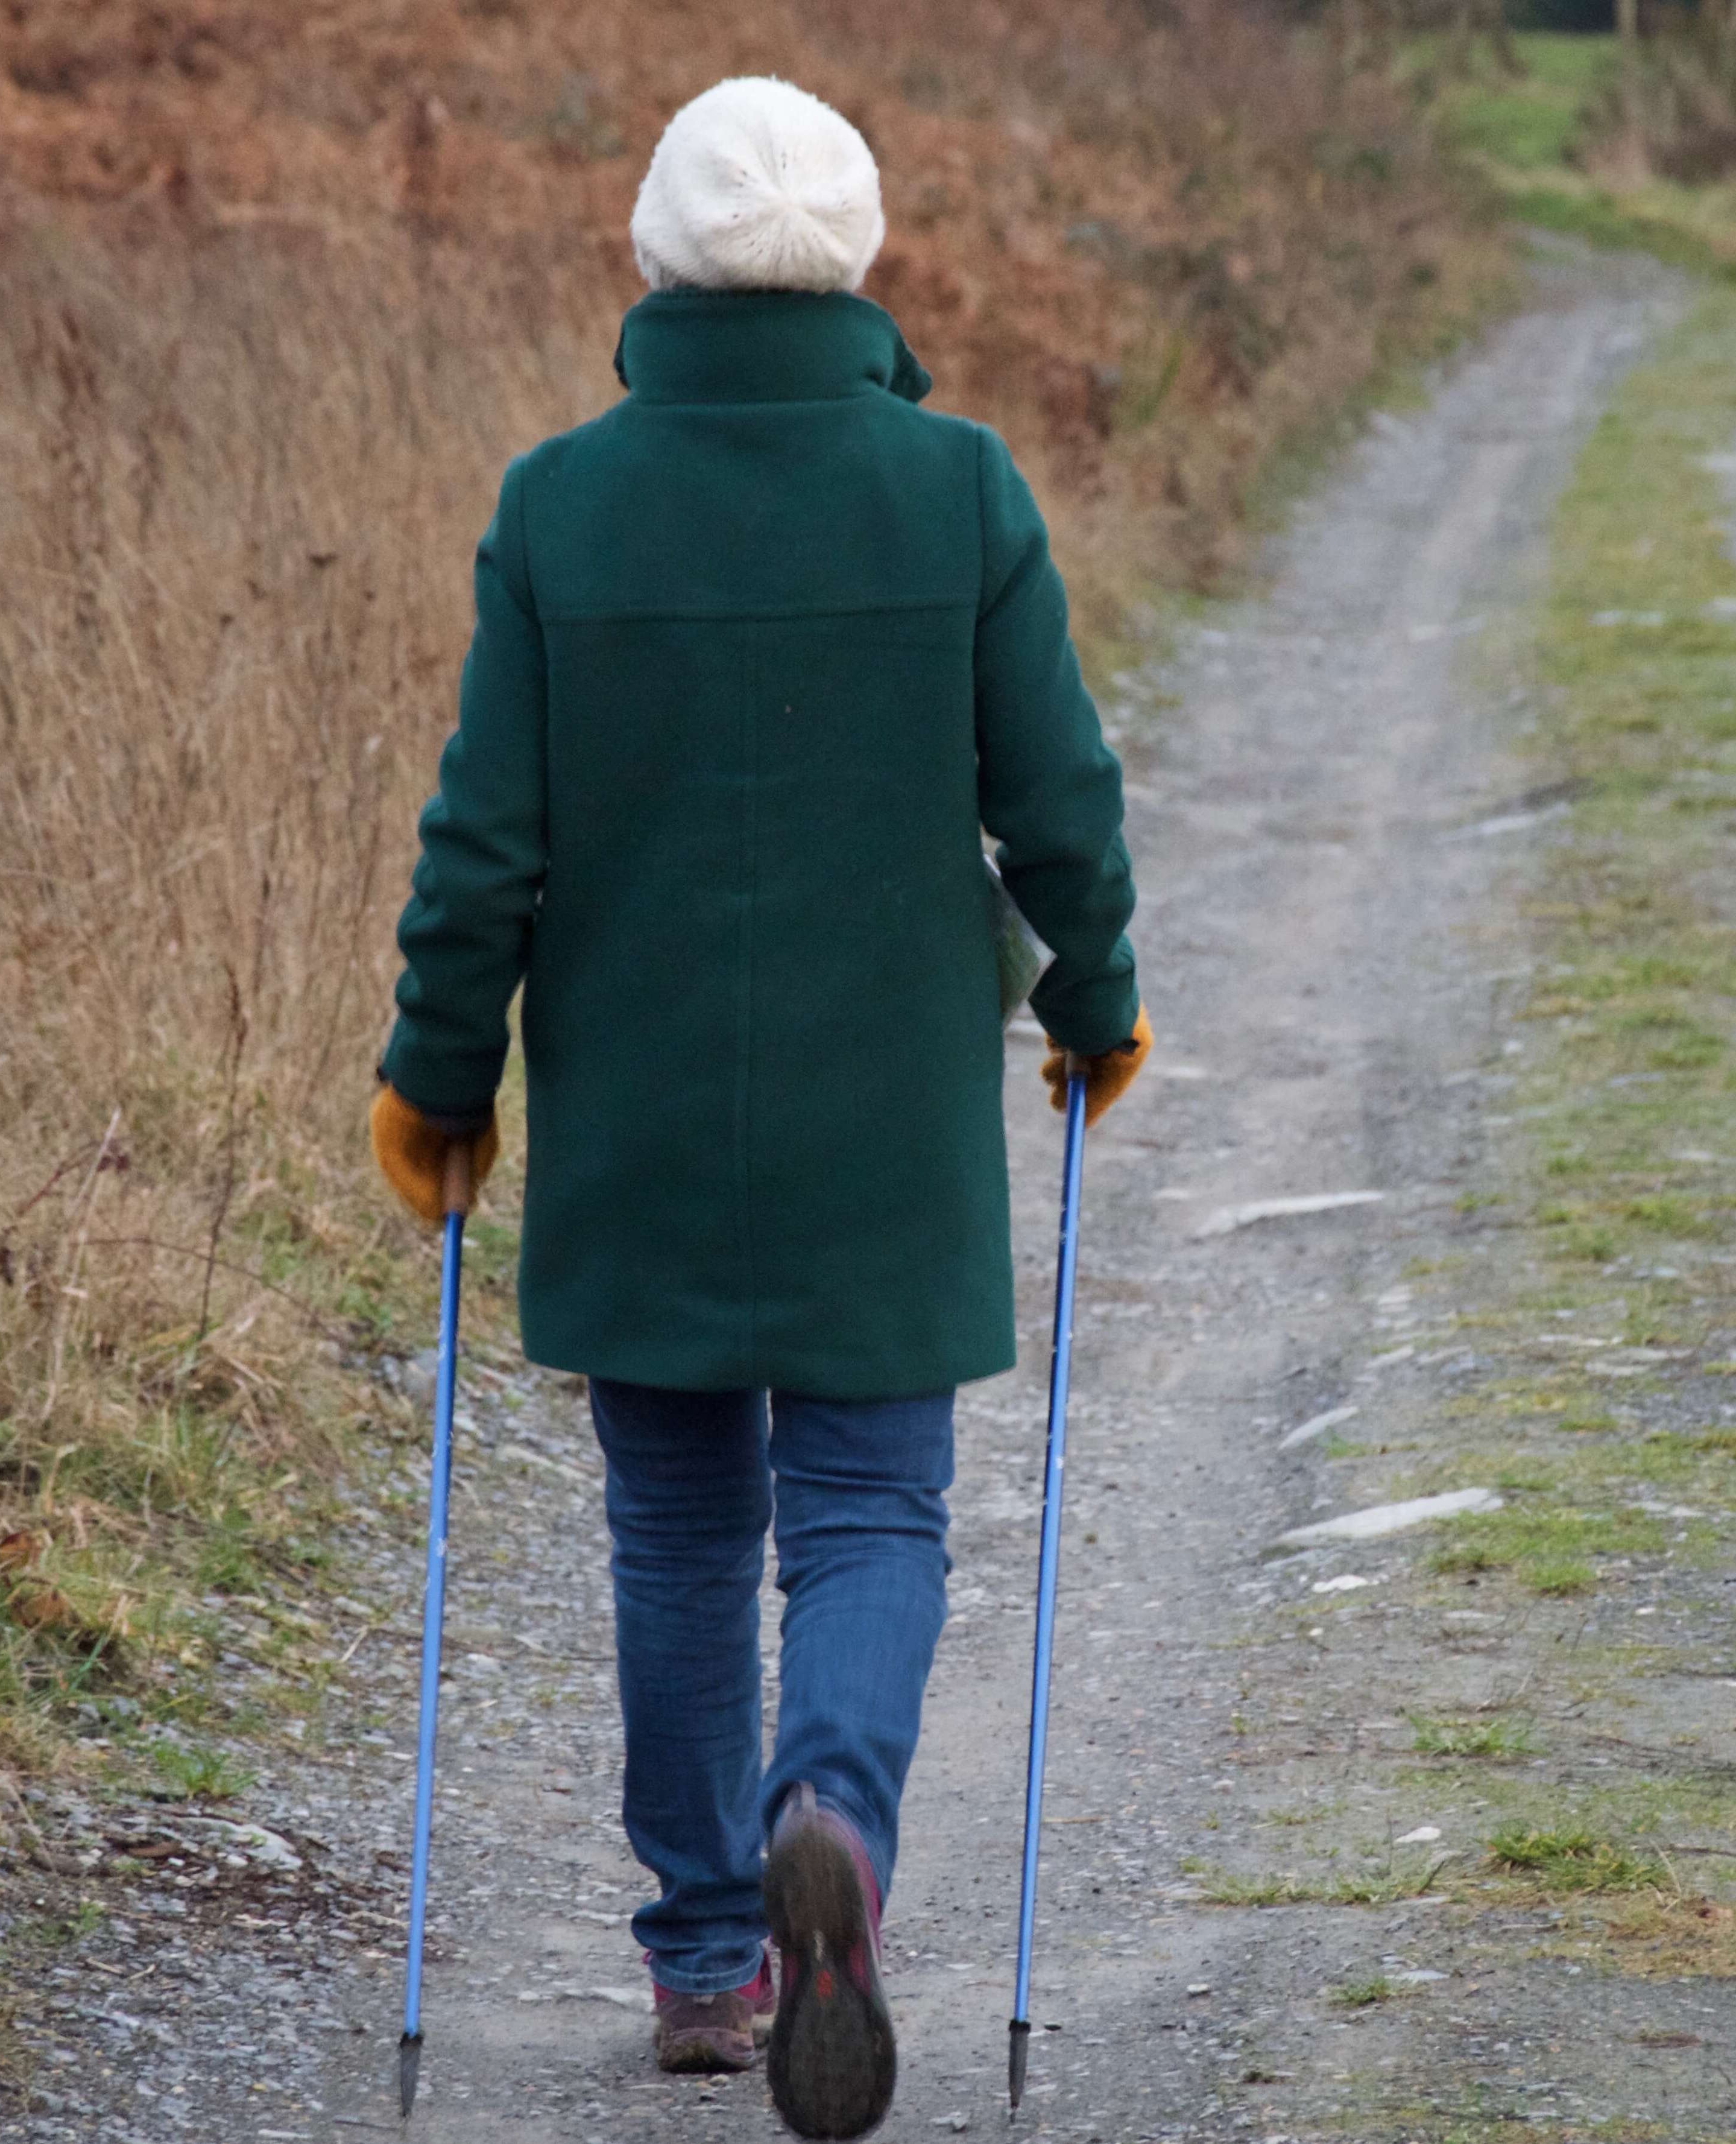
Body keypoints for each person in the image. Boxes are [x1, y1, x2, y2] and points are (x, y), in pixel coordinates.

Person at [367, 75, 1150, 2142]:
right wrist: (1099, 1000)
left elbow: (485, 849)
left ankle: (715, 1954)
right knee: (877, 1512)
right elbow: (1061, 802)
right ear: (863, 263)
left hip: (633, 1117)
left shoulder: (561, 505)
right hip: (886, 1118)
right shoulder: (962, 491)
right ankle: (839, 1825)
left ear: (653, 260)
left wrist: (438, 1079)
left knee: (684, 1532)